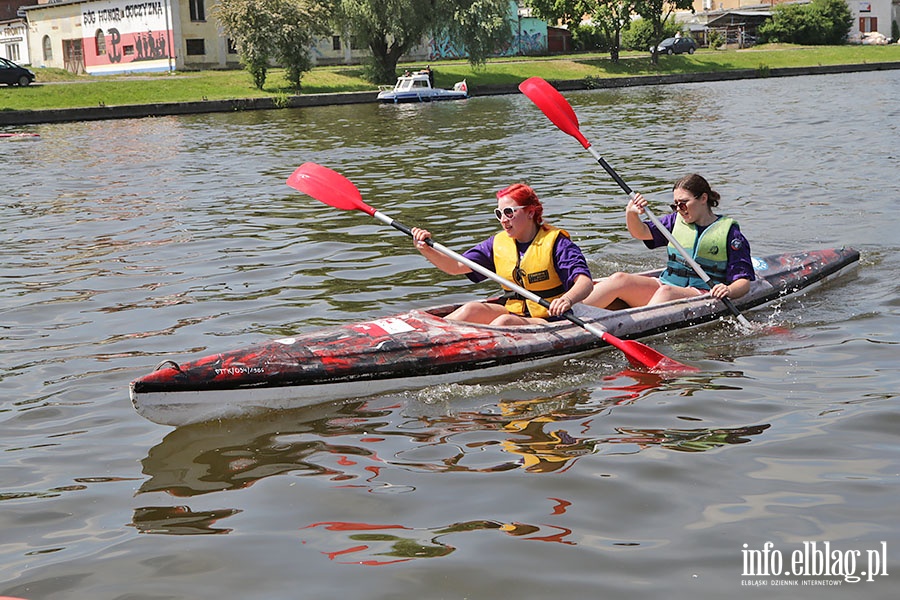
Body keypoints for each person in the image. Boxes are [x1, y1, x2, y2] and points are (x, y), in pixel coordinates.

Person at [411, 183, 594, 326]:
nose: (503, 220)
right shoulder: (496, 244)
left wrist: (566, 300)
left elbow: (585, 283)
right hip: (515, 312)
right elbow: (455, 267)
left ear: (531, 212)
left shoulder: (557, 243)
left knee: (504, 323)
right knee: (471, 309)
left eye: (509, 212)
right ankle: (427, 337)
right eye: (499, 214)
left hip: (548, 318)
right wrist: (425, 249)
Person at [583, 173, 754, 310]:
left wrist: (729, 290)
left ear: (703, 198)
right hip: (668, 284)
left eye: (684, 204)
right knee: (620, 279)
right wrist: (632, 213)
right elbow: (641, 232)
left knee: (667, 292)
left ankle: (640, 327)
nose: (679, 210)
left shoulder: (730, 234)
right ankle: (565, 314)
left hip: (701, 291)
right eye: (675, 205)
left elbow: (743, 282)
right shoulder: (674, 221)